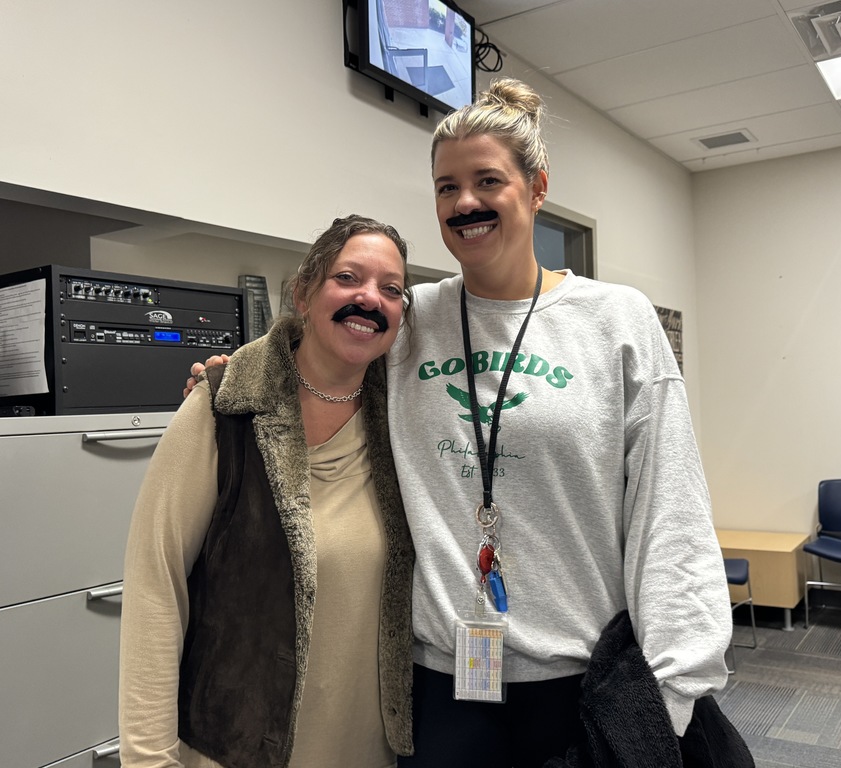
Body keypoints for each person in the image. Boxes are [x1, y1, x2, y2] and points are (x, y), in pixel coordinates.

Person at [189, 79, 734, 767]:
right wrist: (230, 377)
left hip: (581, 682)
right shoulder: (409, 318)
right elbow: (315, 348)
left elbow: (670, 511)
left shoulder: (616, 320)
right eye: (447, 187)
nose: (465, 203)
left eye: (487, 181)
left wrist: (674, 693)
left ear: (537, 188)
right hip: (443, 683)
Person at [121, 214, 416, 768]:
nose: (369, 299)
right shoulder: (223, 408)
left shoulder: (405, 418)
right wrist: (148, 758)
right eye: (348, 278)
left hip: (369, 751)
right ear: (303, 294)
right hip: (235, 748)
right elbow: (155, 585)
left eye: (392, 289)